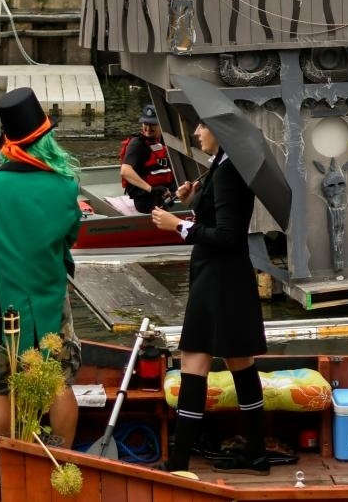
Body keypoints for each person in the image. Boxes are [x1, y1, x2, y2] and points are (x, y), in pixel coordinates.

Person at [149, 112, 272, 473]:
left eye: (202, 126)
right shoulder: (221, 166)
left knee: (195, 361)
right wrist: (194, 200)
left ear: (220, 132)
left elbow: (229, 236)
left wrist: (181, 226)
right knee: (239, 361)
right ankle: (256, 453)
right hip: (222, 276)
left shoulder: (229, 173)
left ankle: (178, 460)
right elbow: (218, 222)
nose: (198, 132)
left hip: (218, 277)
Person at [0, 88, 82, 445]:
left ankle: (4, 464)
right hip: (50, 296)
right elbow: (69, 238)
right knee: (59, 381)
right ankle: (64, 458)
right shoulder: (66, 185)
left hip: (1, 300)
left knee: (1, 386)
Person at [119, 104, 175, 214]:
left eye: (153, 124)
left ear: (160, 124)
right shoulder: (137, 144)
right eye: (146, 124)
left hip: (165, 193)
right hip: (146, 199)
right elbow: (125, 171)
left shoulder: (163, 140)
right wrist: (150, 189)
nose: (148, 129)